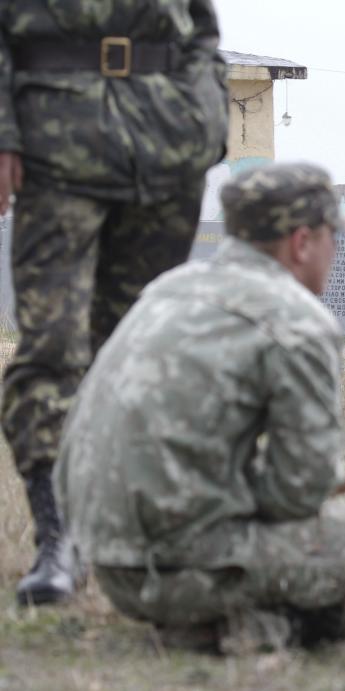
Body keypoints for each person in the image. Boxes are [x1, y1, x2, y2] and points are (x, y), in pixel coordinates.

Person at [54, 163, 345, 652]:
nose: (336, 250)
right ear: (302, 242)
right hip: (189, 569)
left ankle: (212, 621)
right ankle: (274, 632)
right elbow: (298, 493)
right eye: (334, 237)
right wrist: (312, 479)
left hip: (107, 563)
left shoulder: (167, 290)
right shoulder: (296, 321)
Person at [0, 1, 230, 606]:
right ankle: (60, 536)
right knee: (53, 346)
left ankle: (134, 530)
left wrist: (207, 115)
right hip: (56, 147)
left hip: (164, 145)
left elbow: (200, 28)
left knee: (143, 347)